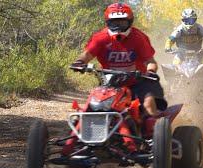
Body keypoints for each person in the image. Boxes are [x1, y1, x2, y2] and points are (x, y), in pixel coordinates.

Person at [69, 3, 166, 153]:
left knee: (148, 104)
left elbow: (150, 62)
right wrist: (80, 62)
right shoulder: (100, 38)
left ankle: (153, 140)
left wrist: (150, 72)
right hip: (110, 84)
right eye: (114, 22)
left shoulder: (138, 38)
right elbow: (87, 54)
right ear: (108, 22)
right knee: (92, 106)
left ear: (130, 21)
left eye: (122, 22)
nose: (118, 26)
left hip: (138, 82)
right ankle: (80, 139)